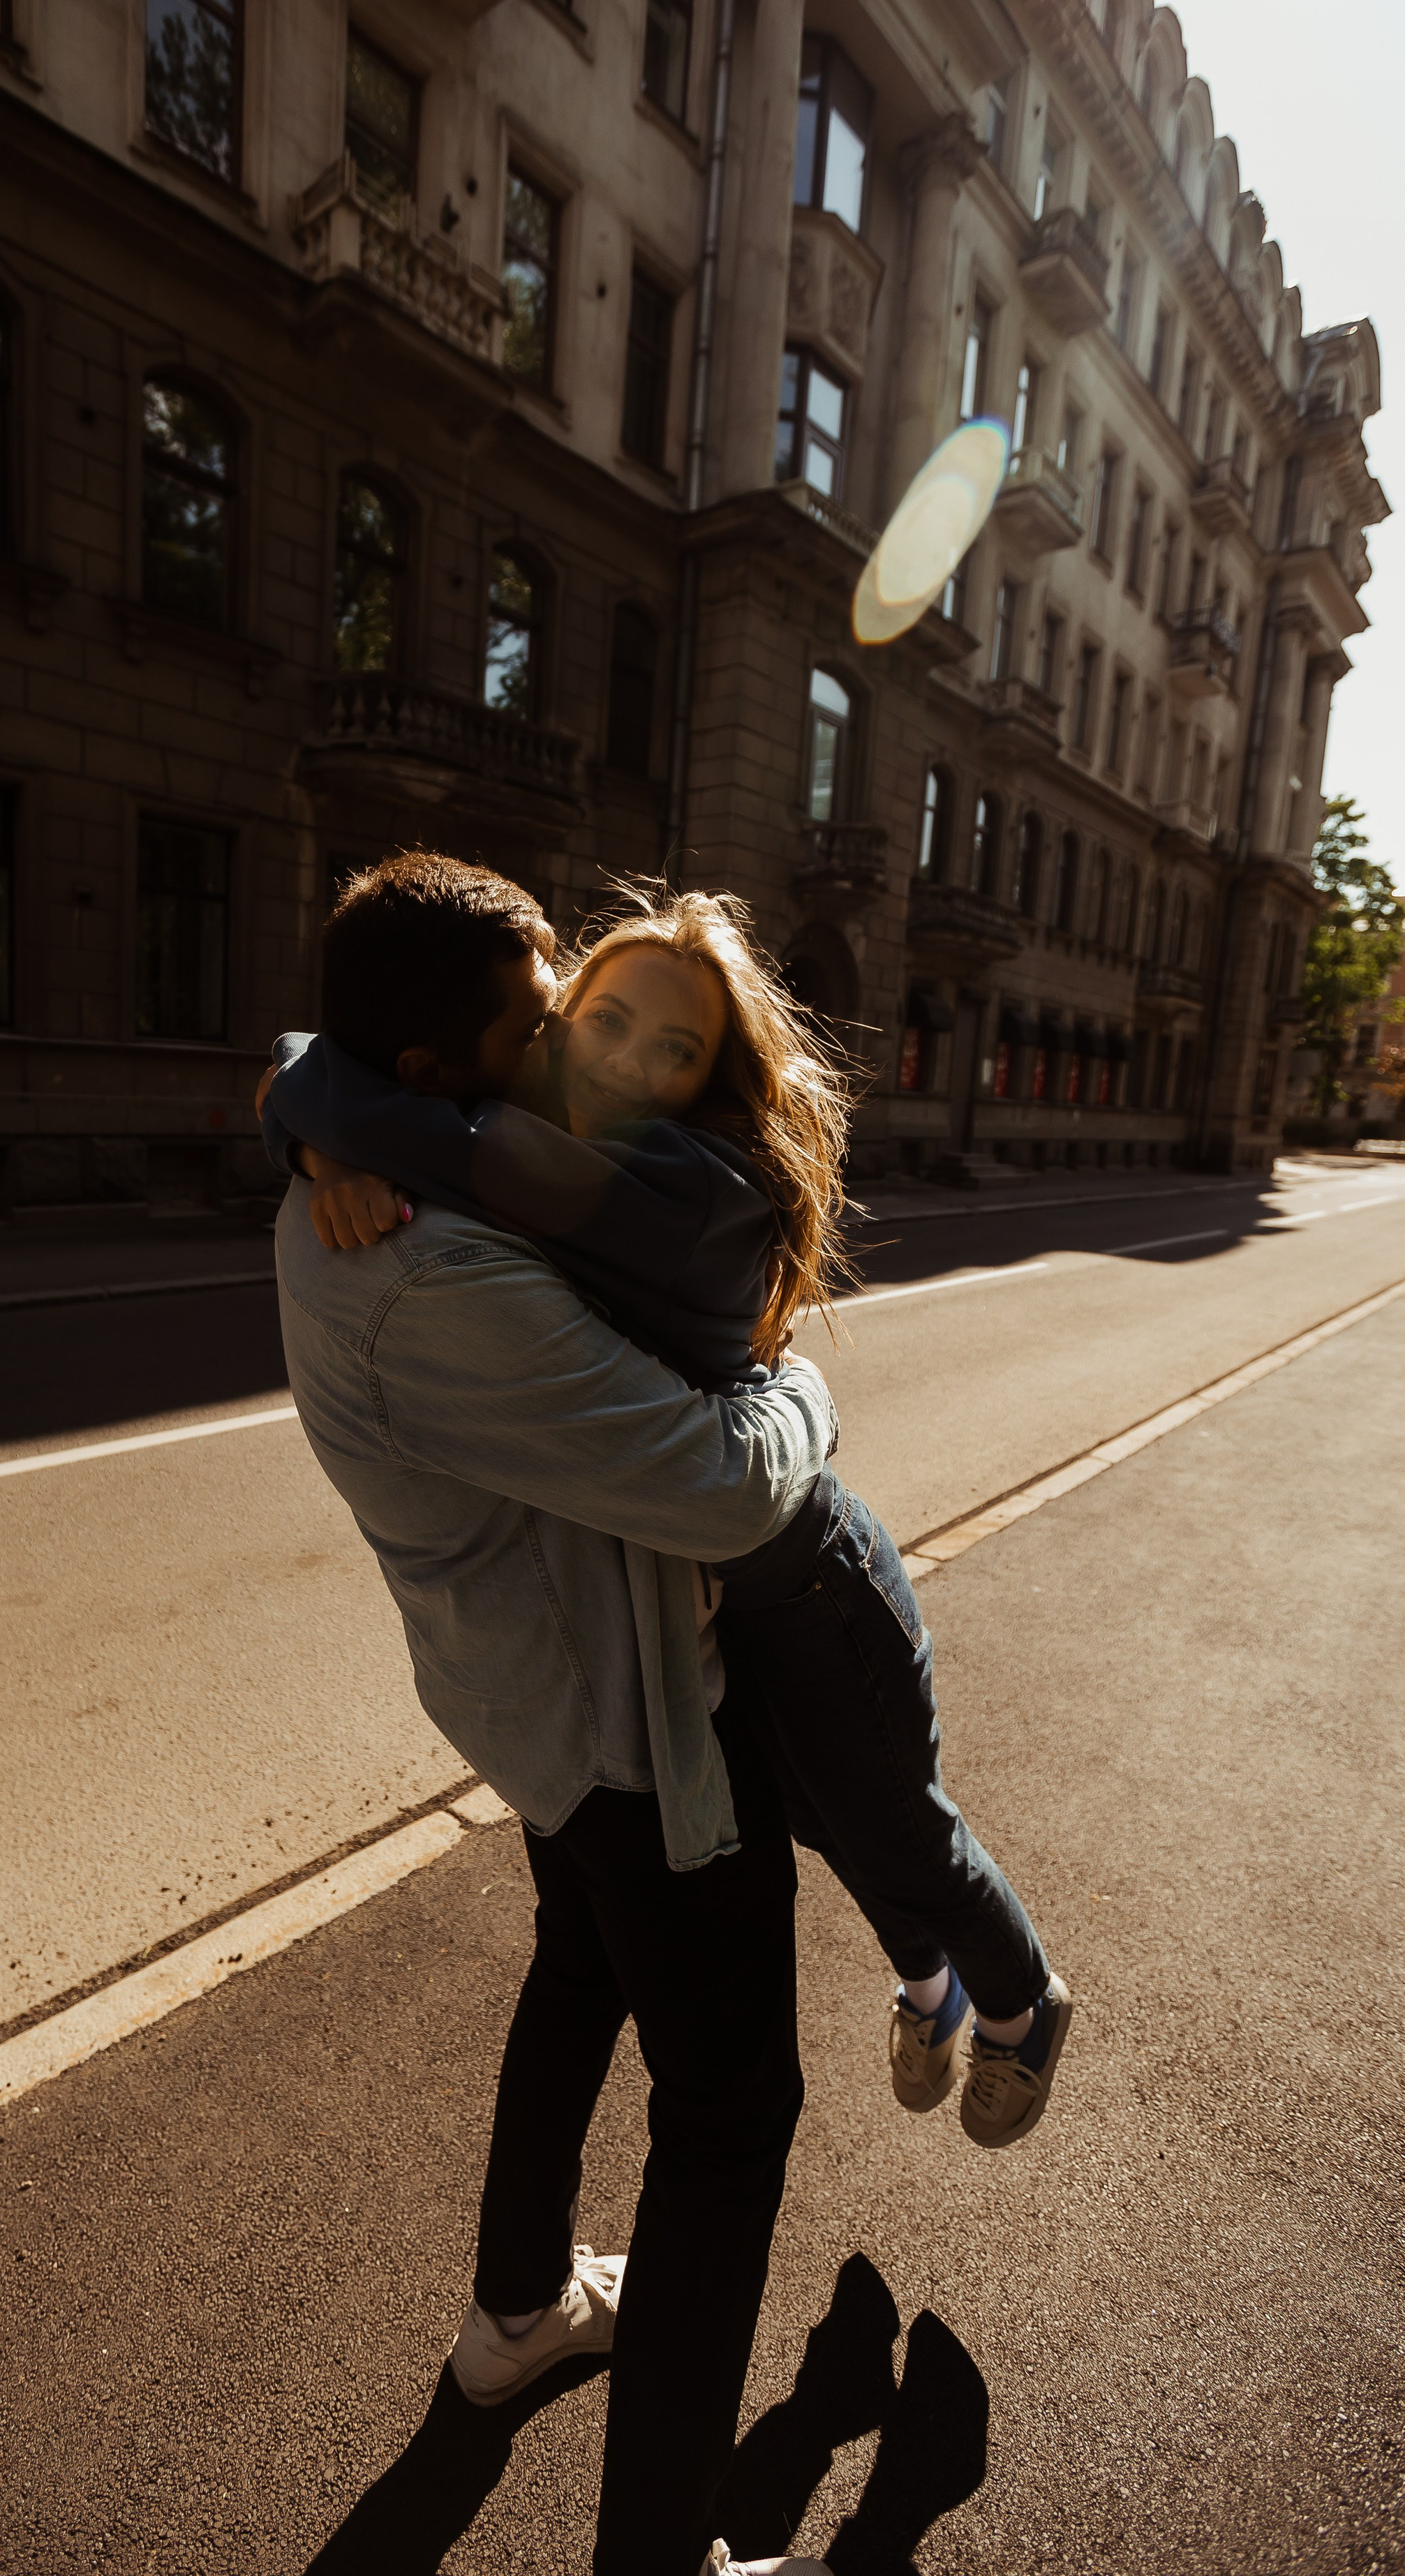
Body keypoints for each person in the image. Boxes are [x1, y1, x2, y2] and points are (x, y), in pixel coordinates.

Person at [263, 881, 1071, 2155]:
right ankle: (932, 1988)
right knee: (821, 1817)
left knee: (893, 1826)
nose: (628, 1063)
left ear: (708, 1081)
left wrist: (318, 1133)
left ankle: (1023, 2005)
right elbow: (343, 1080)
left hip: (809, 1576)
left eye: (677, 1049)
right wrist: (324, 1145)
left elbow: (336, 1086)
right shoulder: (525, 1131)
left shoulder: (669, 1183)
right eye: (605, 1021)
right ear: (557, 1022)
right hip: (710, 1584)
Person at [265, 853, 839, 2576]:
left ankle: (517, 2313)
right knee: (727, 2125)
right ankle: (654, 2553)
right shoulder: (435, 1271)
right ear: (428, 1066)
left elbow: (313, 1063)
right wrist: (801, 1384)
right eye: (535, 1023)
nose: (560, 1048)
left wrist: (314, 1126)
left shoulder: (389, 1166)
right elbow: (720, 1482)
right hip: (632, 1742)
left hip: (533, 1707)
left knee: (577, 1975)